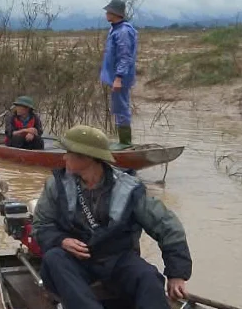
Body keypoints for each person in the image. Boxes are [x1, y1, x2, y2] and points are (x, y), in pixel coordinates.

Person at [31, 124, 191, 309]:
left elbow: (167, 227)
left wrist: (177, 274)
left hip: (117, 259)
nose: (64, 157)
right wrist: (61, 240)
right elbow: (41, 225)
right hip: (76, 260)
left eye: (70, 152)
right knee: (53, 259)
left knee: (148, 276)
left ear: (88, 157)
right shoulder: (56, 185)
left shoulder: (128, 188)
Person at [100, 0, 139, 146]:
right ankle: (123, 142)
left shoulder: (123, 31)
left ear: (115, 13)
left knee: (122, 108)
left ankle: (125, 144)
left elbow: (125, 56)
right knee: (118, 108)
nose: (106, 14)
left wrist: (118, 77)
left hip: (120, 78)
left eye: (108, 11)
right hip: (115, 76)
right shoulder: (115, 29)